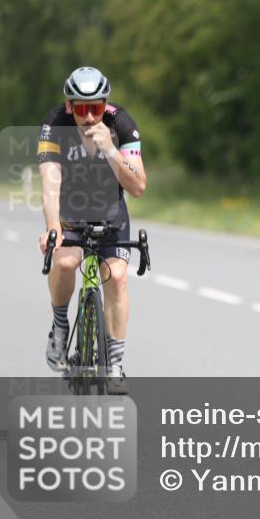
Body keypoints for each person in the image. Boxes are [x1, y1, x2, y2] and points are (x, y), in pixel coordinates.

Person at [38, 67, 147, 392]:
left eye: (95, 108)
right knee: (66, 261)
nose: (88, 117)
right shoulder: (54, 124)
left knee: (118, 278)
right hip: (70, 208)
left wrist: (111, 150)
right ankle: (59, 327)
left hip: (110, 211)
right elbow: (49, 182)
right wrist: (53, 227)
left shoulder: (121, 124)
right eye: (81, 108)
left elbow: (139, 185)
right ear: (69, 105)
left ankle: (114, 363)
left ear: (105, 105)